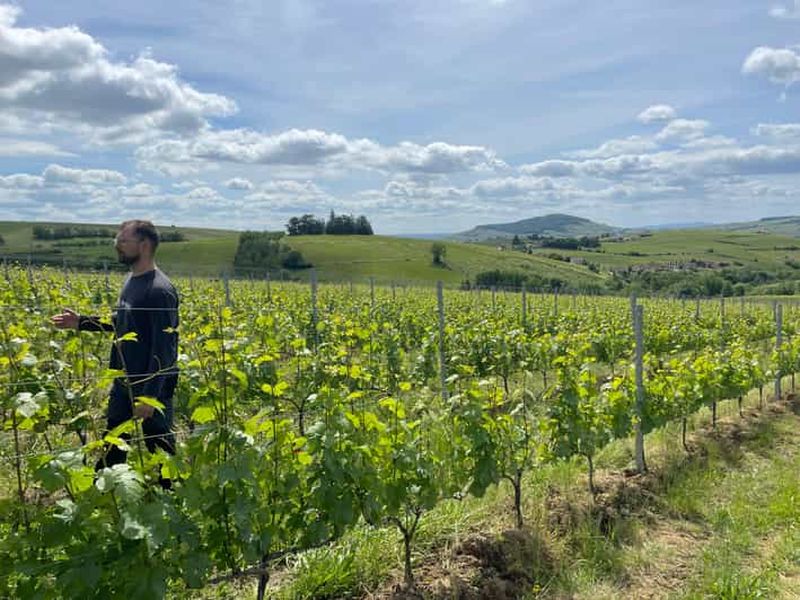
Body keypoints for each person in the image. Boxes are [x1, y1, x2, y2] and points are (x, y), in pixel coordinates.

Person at [51, 220, 179, 482]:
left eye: (122, 241)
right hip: (124, 381)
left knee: (160, 446)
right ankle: (107, 488)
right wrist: (83, 322)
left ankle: (171, 495)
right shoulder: (133, 280)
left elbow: (165, 348)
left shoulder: (159, 291)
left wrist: (148, 397)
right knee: (114, 438)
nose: (117, 247)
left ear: (143, 245)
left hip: (151, 387)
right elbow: (123, 322)